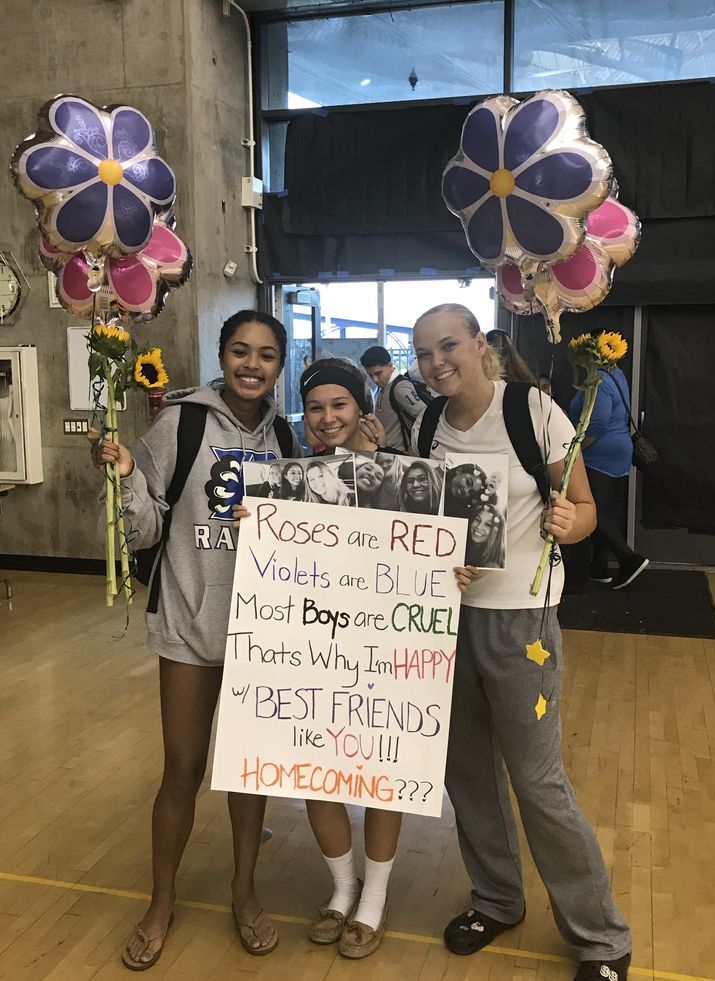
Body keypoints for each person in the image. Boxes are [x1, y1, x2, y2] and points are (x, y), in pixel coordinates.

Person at [411, 303, 632, 981]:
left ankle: (600, 935)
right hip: (445, 620)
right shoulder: (424, 423)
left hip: (522, 619)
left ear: (481, 344)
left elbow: (586, 510)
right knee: (466, 770)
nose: (437, 362)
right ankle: (498, 898)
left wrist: (570, 522)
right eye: (423, 353)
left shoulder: (535, 412)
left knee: (537, 780)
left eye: (448, 345)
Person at [88, 310, 300, 970]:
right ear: (221, 353)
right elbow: (145, 528)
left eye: (266, 354)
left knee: (248, 773)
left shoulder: (286, 435)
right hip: (188, 622)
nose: (252, 364)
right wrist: (126, 473)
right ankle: (160, 902)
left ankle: (244, 891)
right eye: (241, 350)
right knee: (181, 770)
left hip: (259, 634)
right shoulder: (179, 423)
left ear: (279, 365)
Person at [289, 357, 401, 958]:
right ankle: (342, 888)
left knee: (381, 774)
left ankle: (375, 898)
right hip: (308, 642)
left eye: (340, 405)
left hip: (385, 646)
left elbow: (432, 551)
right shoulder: (290, 478)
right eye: (316, 407)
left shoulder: (400, 476)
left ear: (363, 408)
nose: (329, 417)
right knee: (317, 771)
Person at [569, 342, 648, 590]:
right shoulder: (617, 374)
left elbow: (598, 424)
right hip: (619, 450)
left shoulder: (599, 380)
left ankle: (629, 559)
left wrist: (576, 451)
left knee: (592, 512)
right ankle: (599, 567)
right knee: (604, 508)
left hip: (599, 453)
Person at [359, 345, 424, 451]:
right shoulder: (383, 387)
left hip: (400, 453)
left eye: (378, 373)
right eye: (371, 376)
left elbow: (424, 415)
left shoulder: (400, 387)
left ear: (390, 365)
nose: (375, 379)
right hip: (386, 451)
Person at [464, 501, 505, 568]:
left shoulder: (492, 565)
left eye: (488, 524)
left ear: (497, 533)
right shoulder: (464, 545)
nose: (479, 527)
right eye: (477, 519)